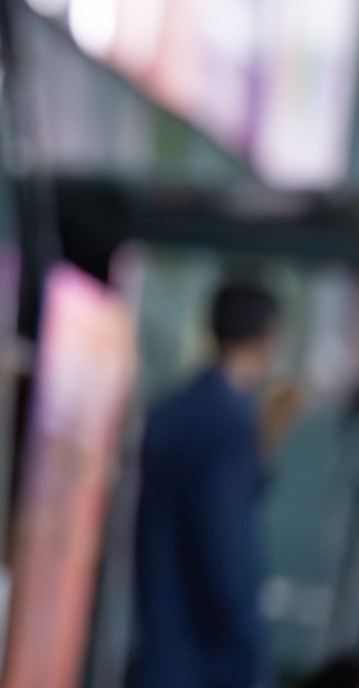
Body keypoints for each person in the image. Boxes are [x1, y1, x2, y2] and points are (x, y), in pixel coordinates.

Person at [130, 283, 281, 688]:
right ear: (268, 339)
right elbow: (225, 553)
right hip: (204, 662)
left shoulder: (166, 414)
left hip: (154, 646)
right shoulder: (229, 430)